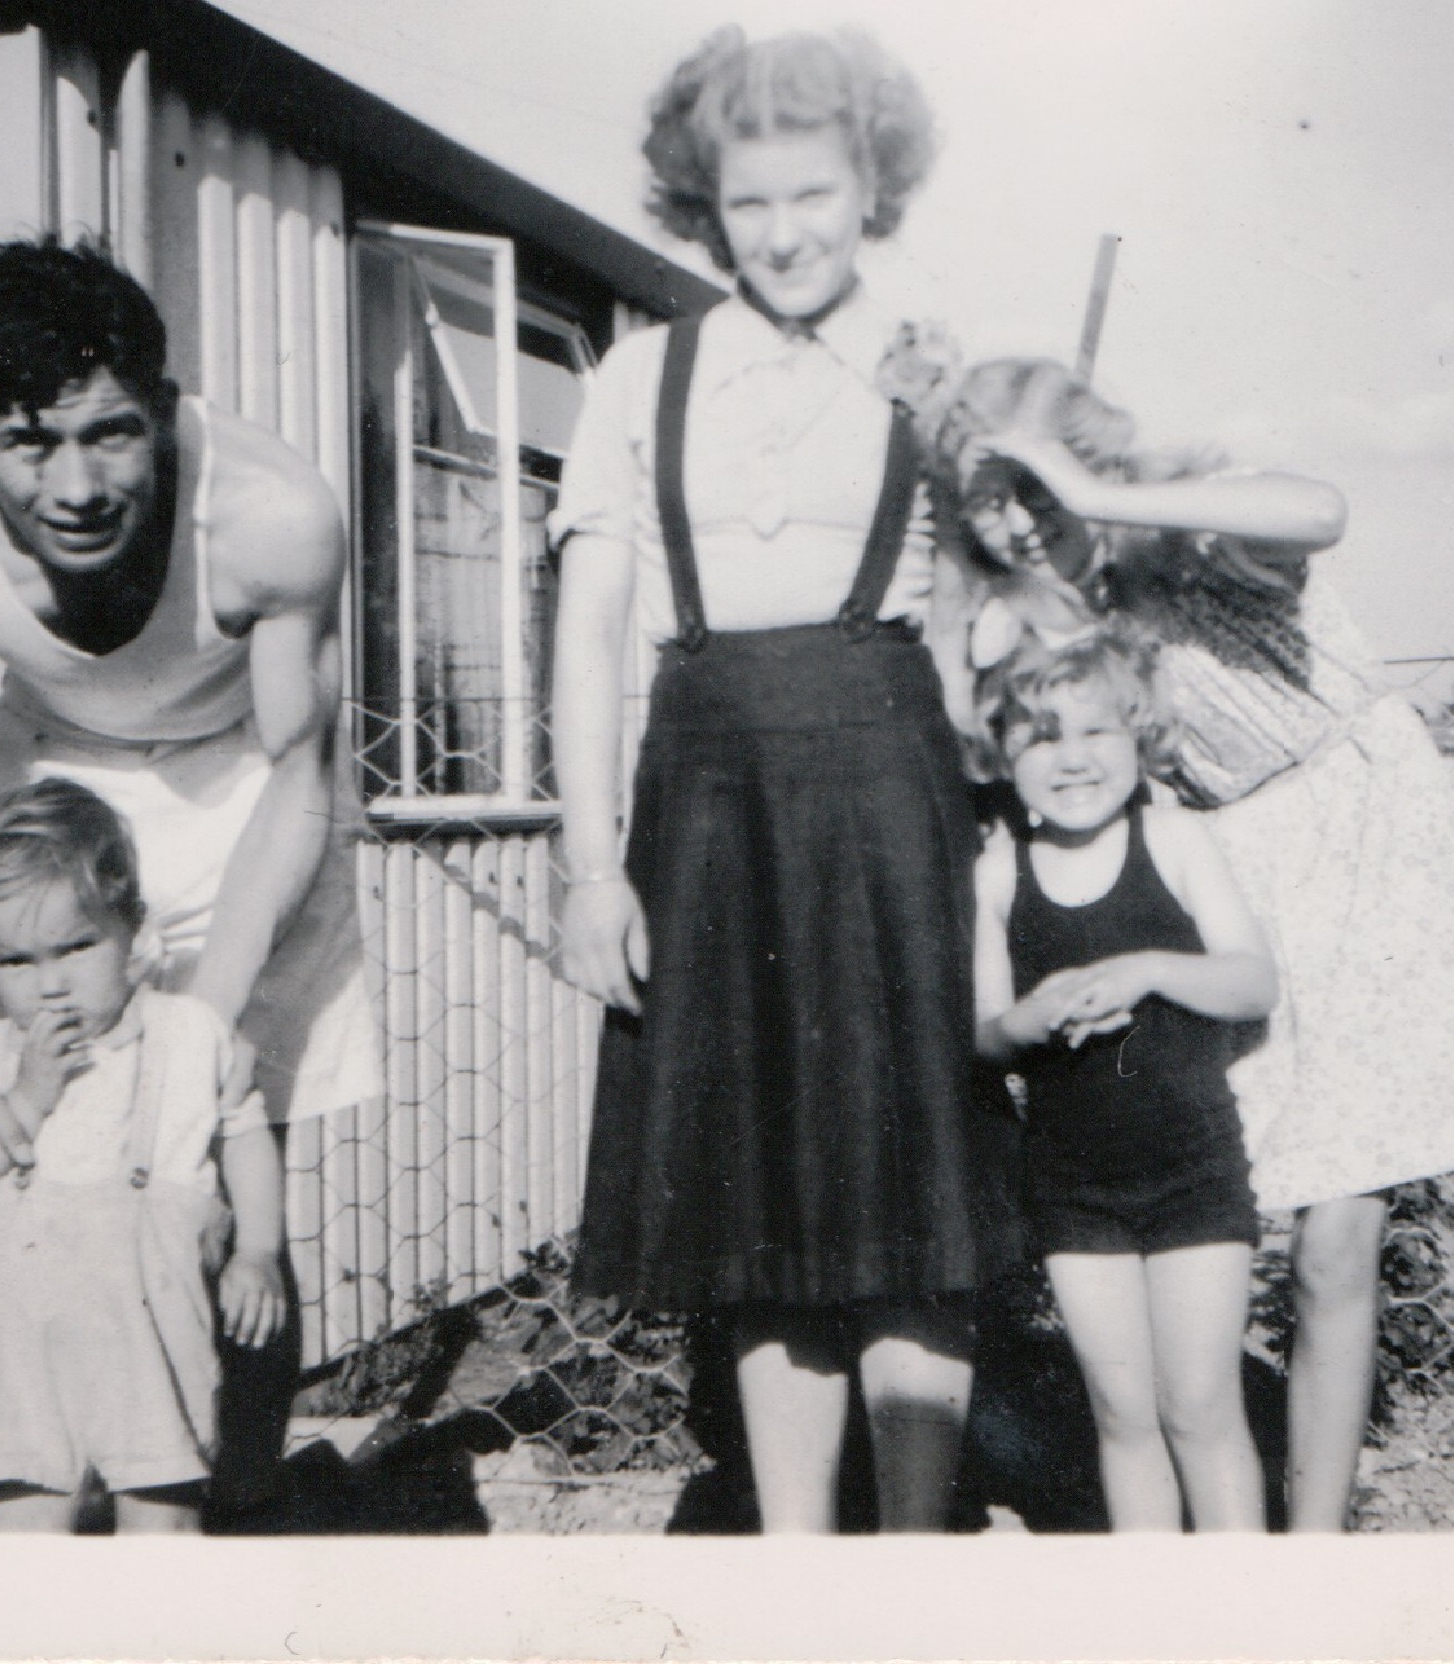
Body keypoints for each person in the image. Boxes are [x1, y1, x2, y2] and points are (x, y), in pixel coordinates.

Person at [930, 358, 1454, 1531]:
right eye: (992, 498)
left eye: (1032, 481)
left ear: (1088, 459)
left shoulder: (1196, 541)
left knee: (1335, 1242)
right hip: (1236, 881)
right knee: (1229, 1206)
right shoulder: (1061, 626)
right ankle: (1210, 1515)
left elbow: (1321, 508)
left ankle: (1306, 1551)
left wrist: (1102, 493)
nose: (1018, 512)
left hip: (1370, 849)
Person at [547, 26, 1016, 1533]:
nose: (786, 232)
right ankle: (801, 1563)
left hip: (891, 790)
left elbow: (1004, 608)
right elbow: (590, 627)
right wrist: (580, 858)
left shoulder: (935, 363)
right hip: (702, 803)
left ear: (872, 185)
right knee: (759, 1201)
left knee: (906, 1182)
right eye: (749, 205)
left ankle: (916, 1548)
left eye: (814, 194)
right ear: (703, 207)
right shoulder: (639, 374)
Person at [0, 237, 377, 1516]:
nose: (79, 485)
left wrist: (205, 1018)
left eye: (114, 435)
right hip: (49, 779)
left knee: (223, 1175)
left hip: (248, 787)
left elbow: (302, 774)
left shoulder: (274, 513)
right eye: (33, 443)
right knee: (46, 1168)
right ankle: (50, 1505)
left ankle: (223, 1517)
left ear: (164, 403)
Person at [971, 629, 1276, 1532]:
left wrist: (1148, 968)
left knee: (1198, 1406)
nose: (1071, 760)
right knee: (1123, 1414)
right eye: (1041, 737)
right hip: (1075, 1189)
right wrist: (1035, 1015)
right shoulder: (998, 872)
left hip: (1194, 1175)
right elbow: (987, 1035)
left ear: (1138, 738)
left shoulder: (1173, 838)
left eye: (1097, 734)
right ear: (1003, 755)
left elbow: (1252, 981)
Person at [0, 779, 285, 1533]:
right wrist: (28, 1097)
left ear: (133, 930)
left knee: (161, 1532)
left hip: (152, 1343)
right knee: (18, 1543)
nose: (52, 985)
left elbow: (246, 1133)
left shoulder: (187, 1035)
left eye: (77, 947)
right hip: (25, 1355)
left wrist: (257, 1251)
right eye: (17, 963)